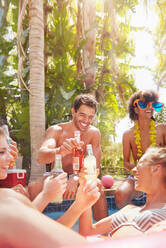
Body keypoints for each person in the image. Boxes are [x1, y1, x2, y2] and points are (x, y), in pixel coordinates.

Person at [0, 127, 100, 247]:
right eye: (1, 152)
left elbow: (44, 235)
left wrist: (79, 205)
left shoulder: (8, 197)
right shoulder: (7, 199)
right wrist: (45, 195)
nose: (11, 158)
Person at [36, 93, 108, 220]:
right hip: (57, 175)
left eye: (90, 117)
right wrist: (61, 150)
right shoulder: (57, 130)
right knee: (33, 187)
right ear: (73, 112)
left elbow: (95, 168)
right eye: (82, 115)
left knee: (97, 186)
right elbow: (41, 157)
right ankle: (33, 231)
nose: (86, 120)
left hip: (80, 177)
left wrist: (75, 178)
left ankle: (103, 232)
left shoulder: (94, 133)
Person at [79, 147, 166, 239]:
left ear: (156, 169)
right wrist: (85, 187)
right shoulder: (129, 209)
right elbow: (87, 231)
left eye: (139, 164)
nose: (133, 170)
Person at [115, 90, 166, 208]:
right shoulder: (128, 134)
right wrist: (136, 170)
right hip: (139, 174)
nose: (149, 107)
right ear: (136, 109)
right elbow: (126, 162)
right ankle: (138, 217)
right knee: (120, 195)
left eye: (153, 104)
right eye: (144, 104)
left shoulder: (163, 129)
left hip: (161, 175)